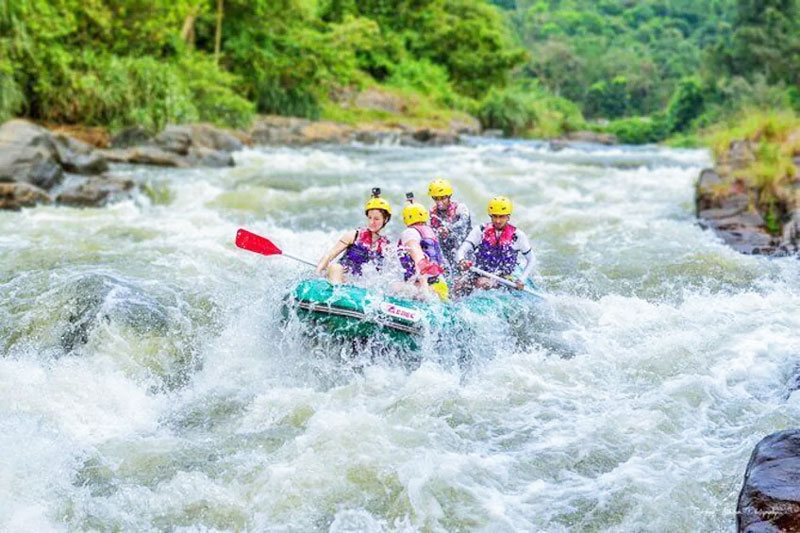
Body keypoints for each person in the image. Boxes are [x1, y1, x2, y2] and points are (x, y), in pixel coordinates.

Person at [456, 196, 535, 292]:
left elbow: (531, 259)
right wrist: (462, 260)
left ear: (508, 217)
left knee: (481, 283)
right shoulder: (481, 230)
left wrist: (522, 279)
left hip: (504, 277)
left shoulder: (518, 236)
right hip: (479, 271)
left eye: (501, 217)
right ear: (491, 216)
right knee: (459, 285)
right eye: (495, 216)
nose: (497, 221)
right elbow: (462, 250)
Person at [315, 188, 391, 284]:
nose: (372, 222)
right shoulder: (354, 235)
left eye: (376, 219)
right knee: (335, 267)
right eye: (369, 218)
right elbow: (329, 255)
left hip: (359, 284)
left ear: (385, 219)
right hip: (339, 276)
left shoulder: (386, 246)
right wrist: (317, 273)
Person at [397, 192, 449, 301]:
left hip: (427, 289)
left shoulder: (409, 233)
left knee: (394, 287)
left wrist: (424, 290)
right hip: (441, 287)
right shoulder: (430, 232)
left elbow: (419, 259)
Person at [428, 178, 471, 275]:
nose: (439, 202)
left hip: (463, 248)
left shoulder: (460, 208)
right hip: (446, 251)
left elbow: (463, 222)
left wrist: (448, 228)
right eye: (436, 198)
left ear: (449, 196)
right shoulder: (432, 212)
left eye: (443, 198)